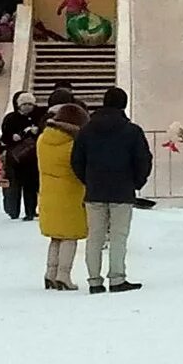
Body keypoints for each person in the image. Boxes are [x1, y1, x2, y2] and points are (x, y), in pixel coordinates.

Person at [71, 87, 152, 293]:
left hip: (95, 190)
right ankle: (117, 278)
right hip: (122, 190)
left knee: (95, 237)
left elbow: (76, 161)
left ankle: (94, 280)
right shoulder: (132, 131)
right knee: (118, 236)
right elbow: (143, 160)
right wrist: (136, 182)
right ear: (123, 104)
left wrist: (88, 180)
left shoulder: (87, 130)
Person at [37, 103, 91, 290]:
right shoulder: (73, 144)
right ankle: (64, 275)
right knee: (69, 236)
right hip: (71, 194)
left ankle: (49, 273)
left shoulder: (43, 139)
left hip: (48, 193)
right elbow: (80, 169)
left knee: (55, 237)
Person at [1, 91, 42, 221]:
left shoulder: (38, 117)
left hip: (32, 158)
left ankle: (30, 211)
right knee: (14, 185)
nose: (28, 107)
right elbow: (4, 137)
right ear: (19, 105)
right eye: (25, 104)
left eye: (30, 104)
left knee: (31, 186)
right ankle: (13, 210)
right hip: (15, 158)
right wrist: (13, 137)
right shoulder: (11, 118)